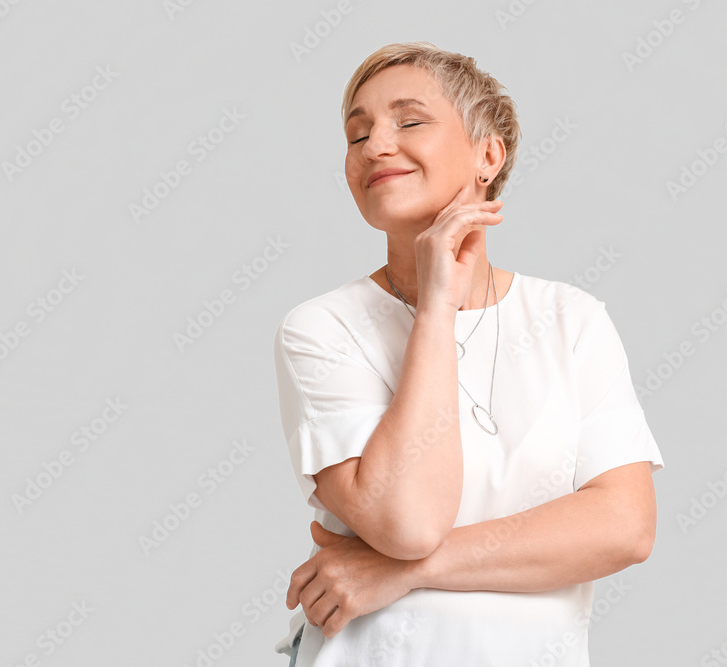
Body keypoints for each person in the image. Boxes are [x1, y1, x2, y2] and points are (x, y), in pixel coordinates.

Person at [272, 41, 665, 666]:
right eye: (357, 133)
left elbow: (625, 527)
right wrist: (435, 308)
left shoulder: (573, 320)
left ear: (488, 154)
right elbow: (407, 523)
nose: (375, 145)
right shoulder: (321, 329)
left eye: (409, 121)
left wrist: (400, 573)